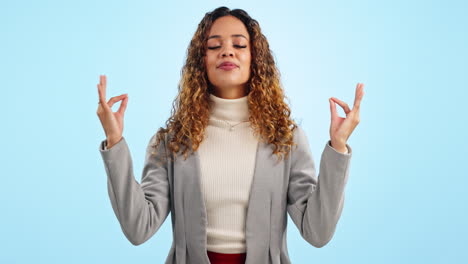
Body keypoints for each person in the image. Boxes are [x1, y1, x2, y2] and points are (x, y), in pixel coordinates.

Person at [96, 6, 364, 264]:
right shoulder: (172, 141)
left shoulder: (285, 138)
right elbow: (138, 228)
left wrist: (338, 147)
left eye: (239, 45)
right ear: (201, 61)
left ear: (255, 58)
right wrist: (114, 141)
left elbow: (317, 232)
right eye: (214, 46)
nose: (227, 52)